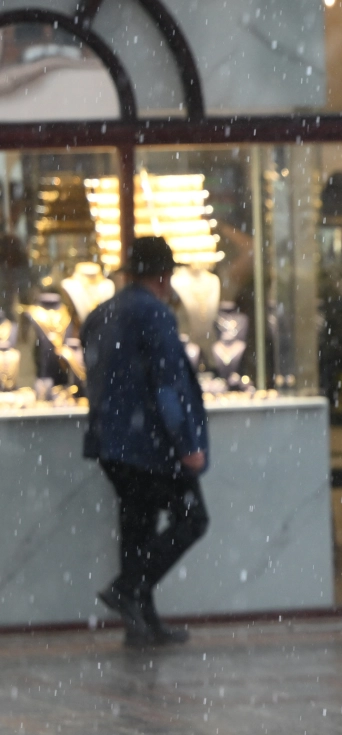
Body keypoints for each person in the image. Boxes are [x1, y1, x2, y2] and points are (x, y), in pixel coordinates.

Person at [82, 236, 209, 648]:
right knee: (192, 519)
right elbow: (168, 386)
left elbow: (96, 379)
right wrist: (187, 444)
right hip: (150, 446)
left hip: (111, 444)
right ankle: (128, 588)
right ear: (163, 277)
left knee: (137, 527)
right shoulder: (155, 315)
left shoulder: (101, 315)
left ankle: (142, 624)